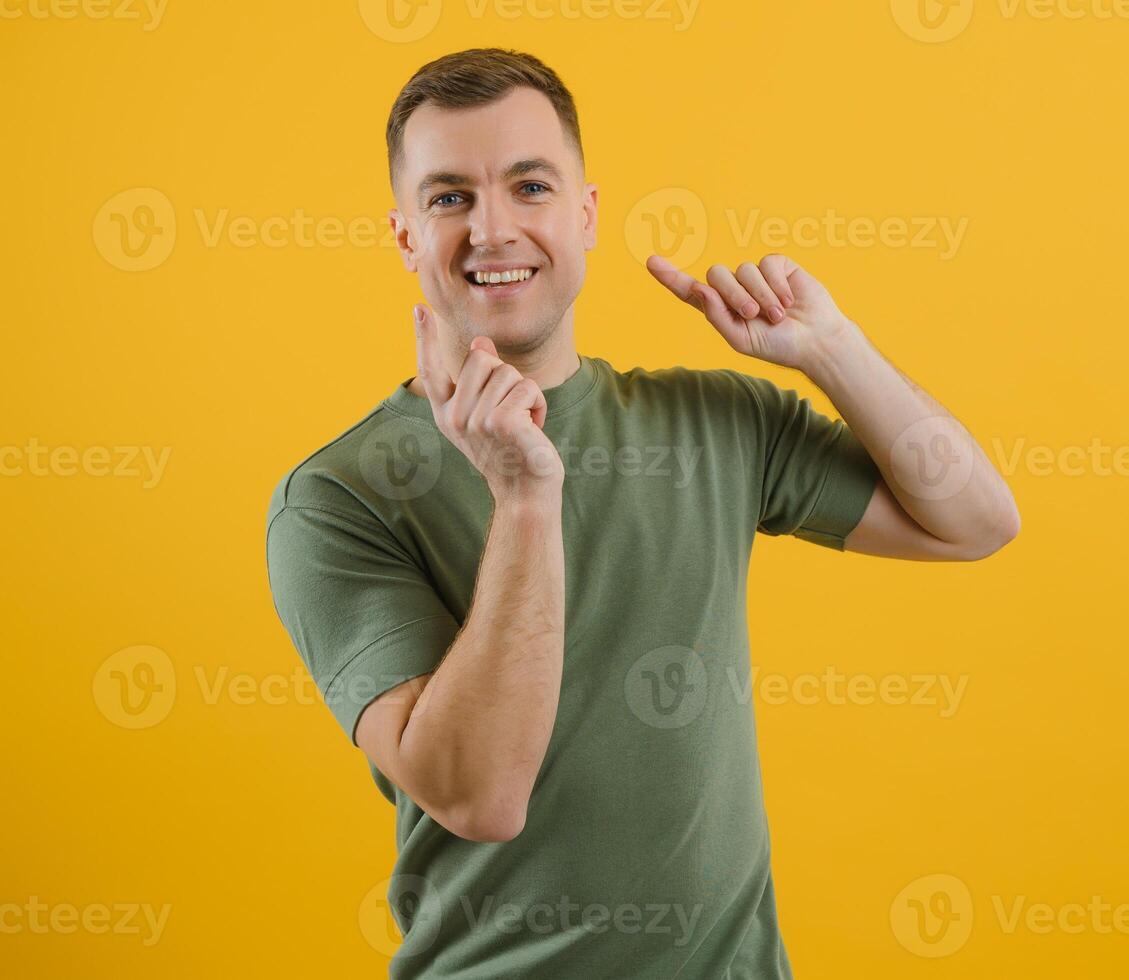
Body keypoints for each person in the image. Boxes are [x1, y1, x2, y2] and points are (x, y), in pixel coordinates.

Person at [265, 47, 1019, 980]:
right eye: (448, 197)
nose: (492, 229)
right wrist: (524, 496)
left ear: (584, 216)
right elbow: (479, 796)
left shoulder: (714, 420)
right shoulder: (337, 497)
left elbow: (976, 521)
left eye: (529, 186)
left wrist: (832, 350)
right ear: (405, 236)